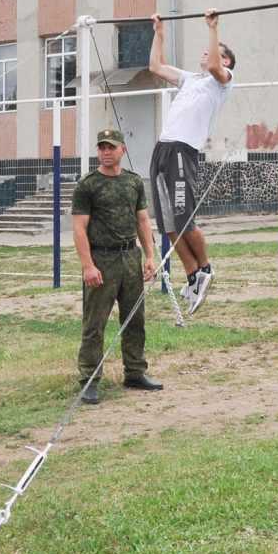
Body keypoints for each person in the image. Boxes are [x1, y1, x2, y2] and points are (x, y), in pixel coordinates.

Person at [148, 9, 235, 315]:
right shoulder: (189, 79)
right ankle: (192, 276)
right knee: (168, 225)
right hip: (163, 149)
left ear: (226, 61)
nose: (208, 53)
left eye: (217, 52)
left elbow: (213, 63)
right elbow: (155, 66)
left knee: (184, 219)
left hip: (184, 151)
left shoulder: (222, 80)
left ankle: (206, 268)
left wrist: (213, 28)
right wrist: (159, 33)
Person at [73, 129, 161, 402]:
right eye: (101, 147)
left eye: (111, 147)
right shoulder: (88, 184)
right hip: (102, 259)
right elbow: (79, 228)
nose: (106, 152)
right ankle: (90, 378)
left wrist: (149, 256)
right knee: (95, 323)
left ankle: (135, 372)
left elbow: (143, 221)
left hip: (130, 258)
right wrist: (88, 265)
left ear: (122, 149)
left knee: (135, 319)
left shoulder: (133, 182)